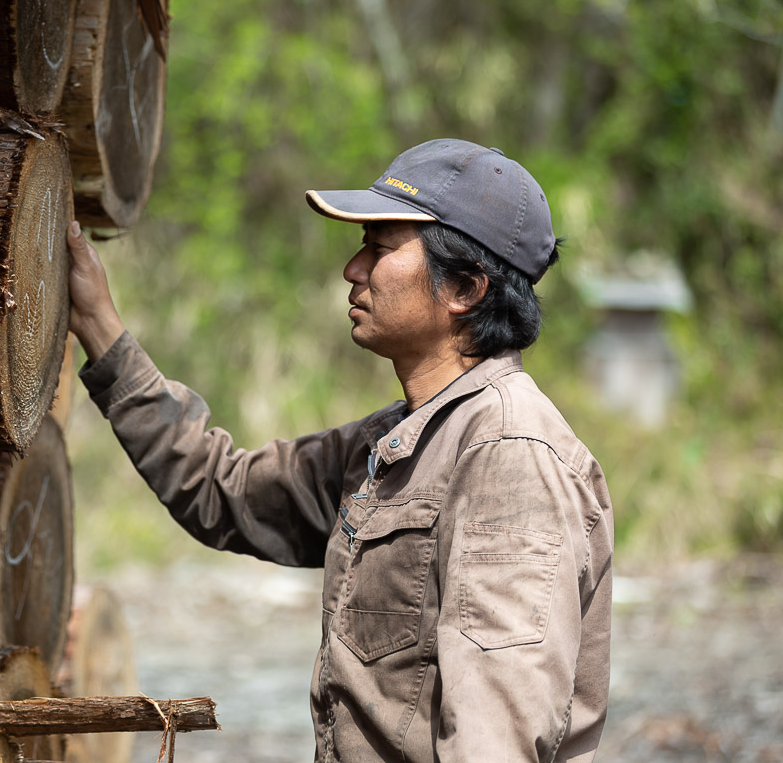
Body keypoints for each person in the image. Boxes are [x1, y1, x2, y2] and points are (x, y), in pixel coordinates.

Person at [65, 138, 613, 762]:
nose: (353, 270)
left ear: (463, 288)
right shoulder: (391, 444)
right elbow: (225, 490)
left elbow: (495, 736)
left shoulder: (510, 457)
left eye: (379, 249)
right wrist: (99, 328)